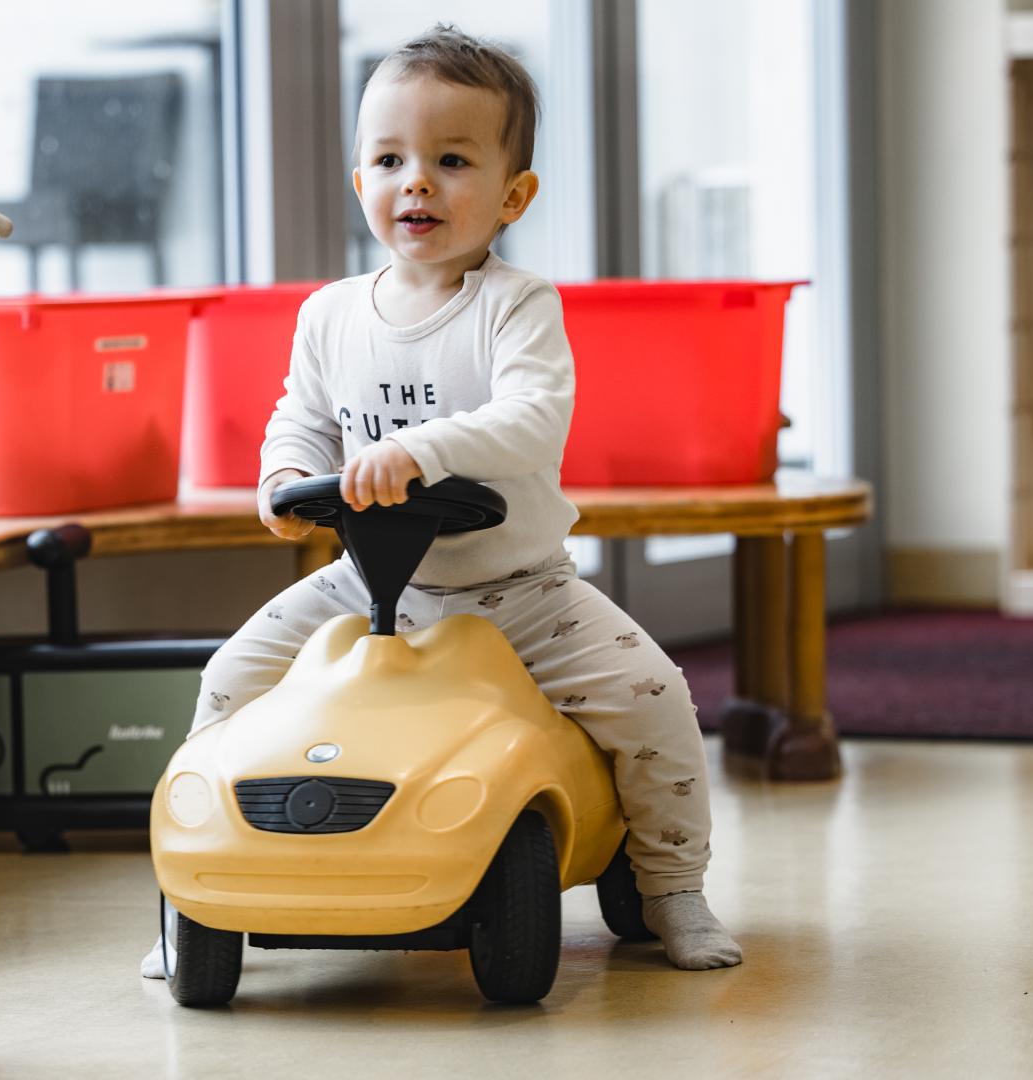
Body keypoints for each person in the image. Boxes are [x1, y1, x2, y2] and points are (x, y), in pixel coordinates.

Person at [146, 24, 740, 975]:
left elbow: (533, 418)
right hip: (364, 586)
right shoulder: (330, 314)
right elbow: (299, 417)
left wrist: (414, 453)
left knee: (652, 694)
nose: (416, 181)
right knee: (229, 679)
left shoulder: (514, 304)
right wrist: (280, 479)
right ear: (360, 183)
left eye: (451, 160)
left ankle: (673, 886)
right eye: (391, 159)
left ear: (513, 195)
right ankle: (195, 889)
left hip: (523, 594)